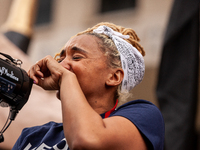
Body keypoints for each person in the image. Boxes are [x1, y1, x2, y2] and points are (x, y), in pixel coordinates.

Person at [12, 22, 165, 150]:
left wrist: (66, 77)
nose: (60, 64)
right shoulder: (32, 136)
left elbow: (87, 140)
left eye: (77, 57)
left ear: (113, 77)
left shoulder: (143, 116)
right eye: (61, 58)